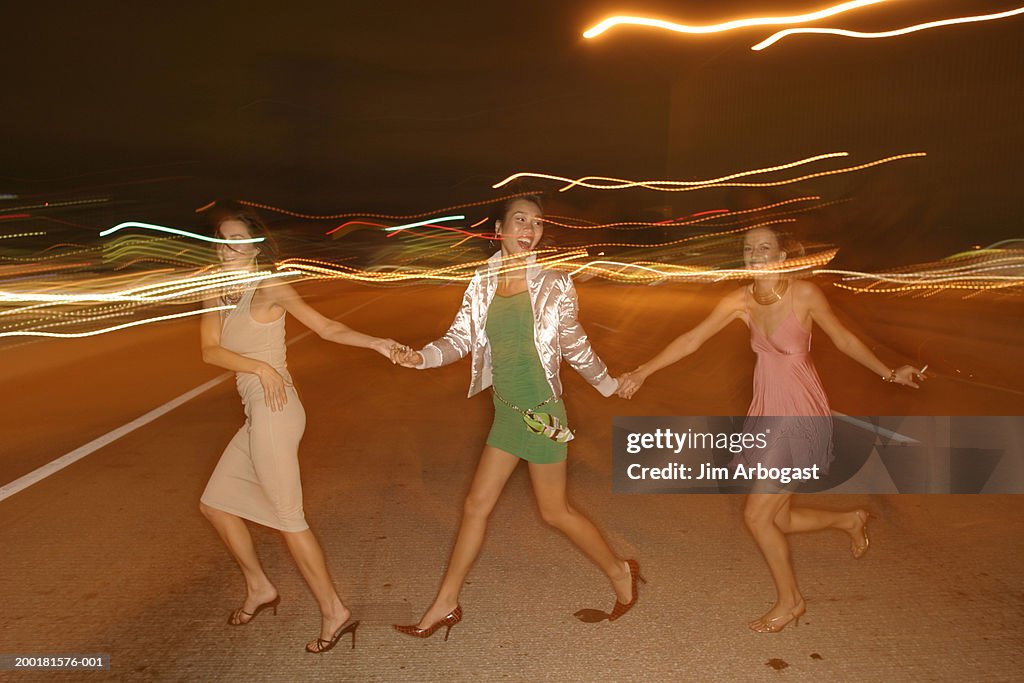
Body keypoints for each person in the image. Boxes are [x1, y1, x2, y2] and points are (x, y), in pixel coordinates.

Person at [618, 225, 926, 632]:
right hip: (766, 412)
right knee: (776, 519)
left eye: (765, 248)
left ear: (783, 256)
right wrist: (643, 371)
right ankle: (848, 520)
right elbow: (692, 338)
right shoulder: (740, 300)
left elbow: (845, 341)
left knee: (759, 517)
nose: (755, 255)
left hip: (800, 414)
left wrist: (889, 373)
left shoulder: (803, 294)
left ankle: (791, 601)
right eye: (749, 248)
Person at [390, 196, 641, 639]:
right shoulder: (481, 281)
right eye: (520, 220)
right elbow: (460, 337)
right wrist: (422, 358)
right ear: (499, 229)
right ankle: (446, 602)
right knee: (475, 506)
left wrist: (608, 383)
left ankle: (620, 570)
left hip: (543, 414)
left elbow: (574, 343)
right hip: (506, 413)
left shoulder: (555, 283)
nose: (530, 229)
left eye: (537, 222)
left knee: (555, 512)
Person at [197, 204, 397, 653]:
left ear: (254, 247)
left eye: (239, 240)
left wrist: (377, 342)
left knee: (289, 520)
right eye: (223, 240)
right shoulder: (215, 292)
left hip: (276, 410)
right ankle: (259, 588)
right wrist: (256, 368)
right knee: (215, 504)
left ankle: (333, 610)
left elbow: (325, 327)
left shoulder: (268, 286)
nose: (230, 248)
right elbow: (210, 351)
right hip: (258, 409)